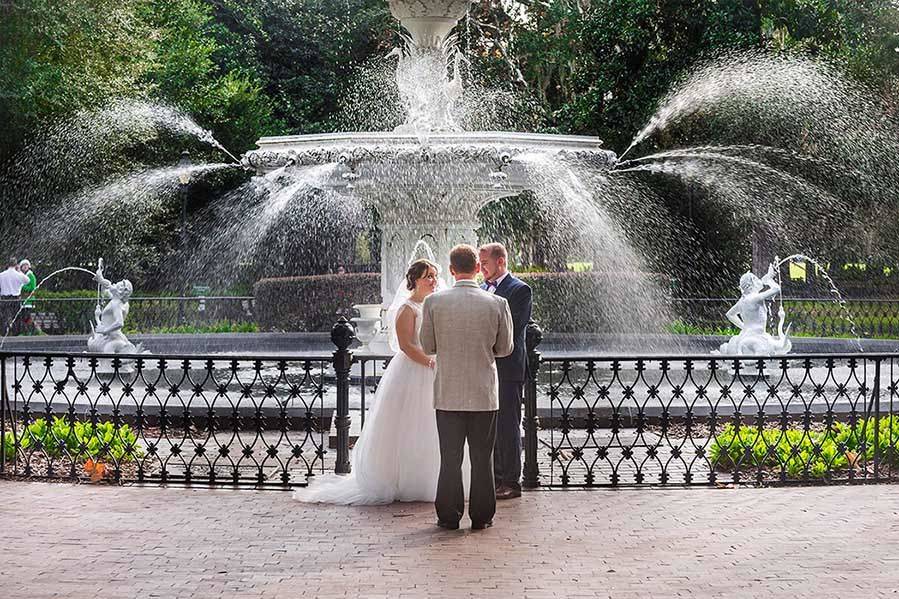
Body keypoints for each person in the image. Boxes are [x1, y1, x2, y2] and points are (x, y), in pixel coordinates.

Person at [294, 258, 443, 504]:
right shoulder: (408, 309)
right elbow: (406, 345)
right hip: (414, 371)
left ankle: (430, 477)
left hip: (431, 370)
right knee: (409, 426)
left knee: (431, 426)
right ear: (415, 280)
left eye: (434, 276)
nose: (433, 281)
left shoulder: (432, 305)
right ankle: (404, 480)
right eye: (428, 276)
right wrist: (429, 362)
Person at [420, 244, 514, 531]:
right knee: (482, 458)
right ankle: (482, 516)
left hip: (448, 393)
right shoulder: (497, 303)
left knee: (450, 458)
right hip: (484, 395)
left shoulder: (434, 303)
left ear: (451, 270)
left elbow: (427, 346)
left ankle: (449, 515)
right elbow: (505, 348)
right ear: (477, 268)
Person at [479, 242, 532, 500]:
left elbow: (514, 327)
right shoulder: (480, 289)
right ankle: (495, 479)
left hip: (508, 367)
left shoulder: (520, 290)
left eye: (485, 263)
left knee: (508, 426)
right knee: (489, 426)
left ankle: (512, 481)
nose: (481, 268)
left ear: (501, 262)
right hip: (485, 368)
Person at [0, 257, 30, 335]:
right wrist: (20, 271)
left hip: (4, 299)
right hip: (15, 298)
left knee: (4, 316)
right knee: (16, 317)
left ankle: (4, 333)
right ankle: (15, 333)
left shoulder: (2, 275)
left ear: (8, 264)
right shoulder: (18, 275)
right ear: (16, 265)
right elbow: (27, 280)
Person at [18, 259, 37, 331]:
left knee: (27, 317)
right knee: (24, 317)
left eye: (26, 265)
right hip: (24, 300)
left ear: (29, 266)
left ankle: (31, 331)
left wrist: (22, 287)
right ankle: (28, 330)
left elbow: (32, 288)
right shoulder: (24, 275)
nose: (25, 266)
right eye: (23, 265)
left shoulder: (31, 275)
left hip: (28, 300)